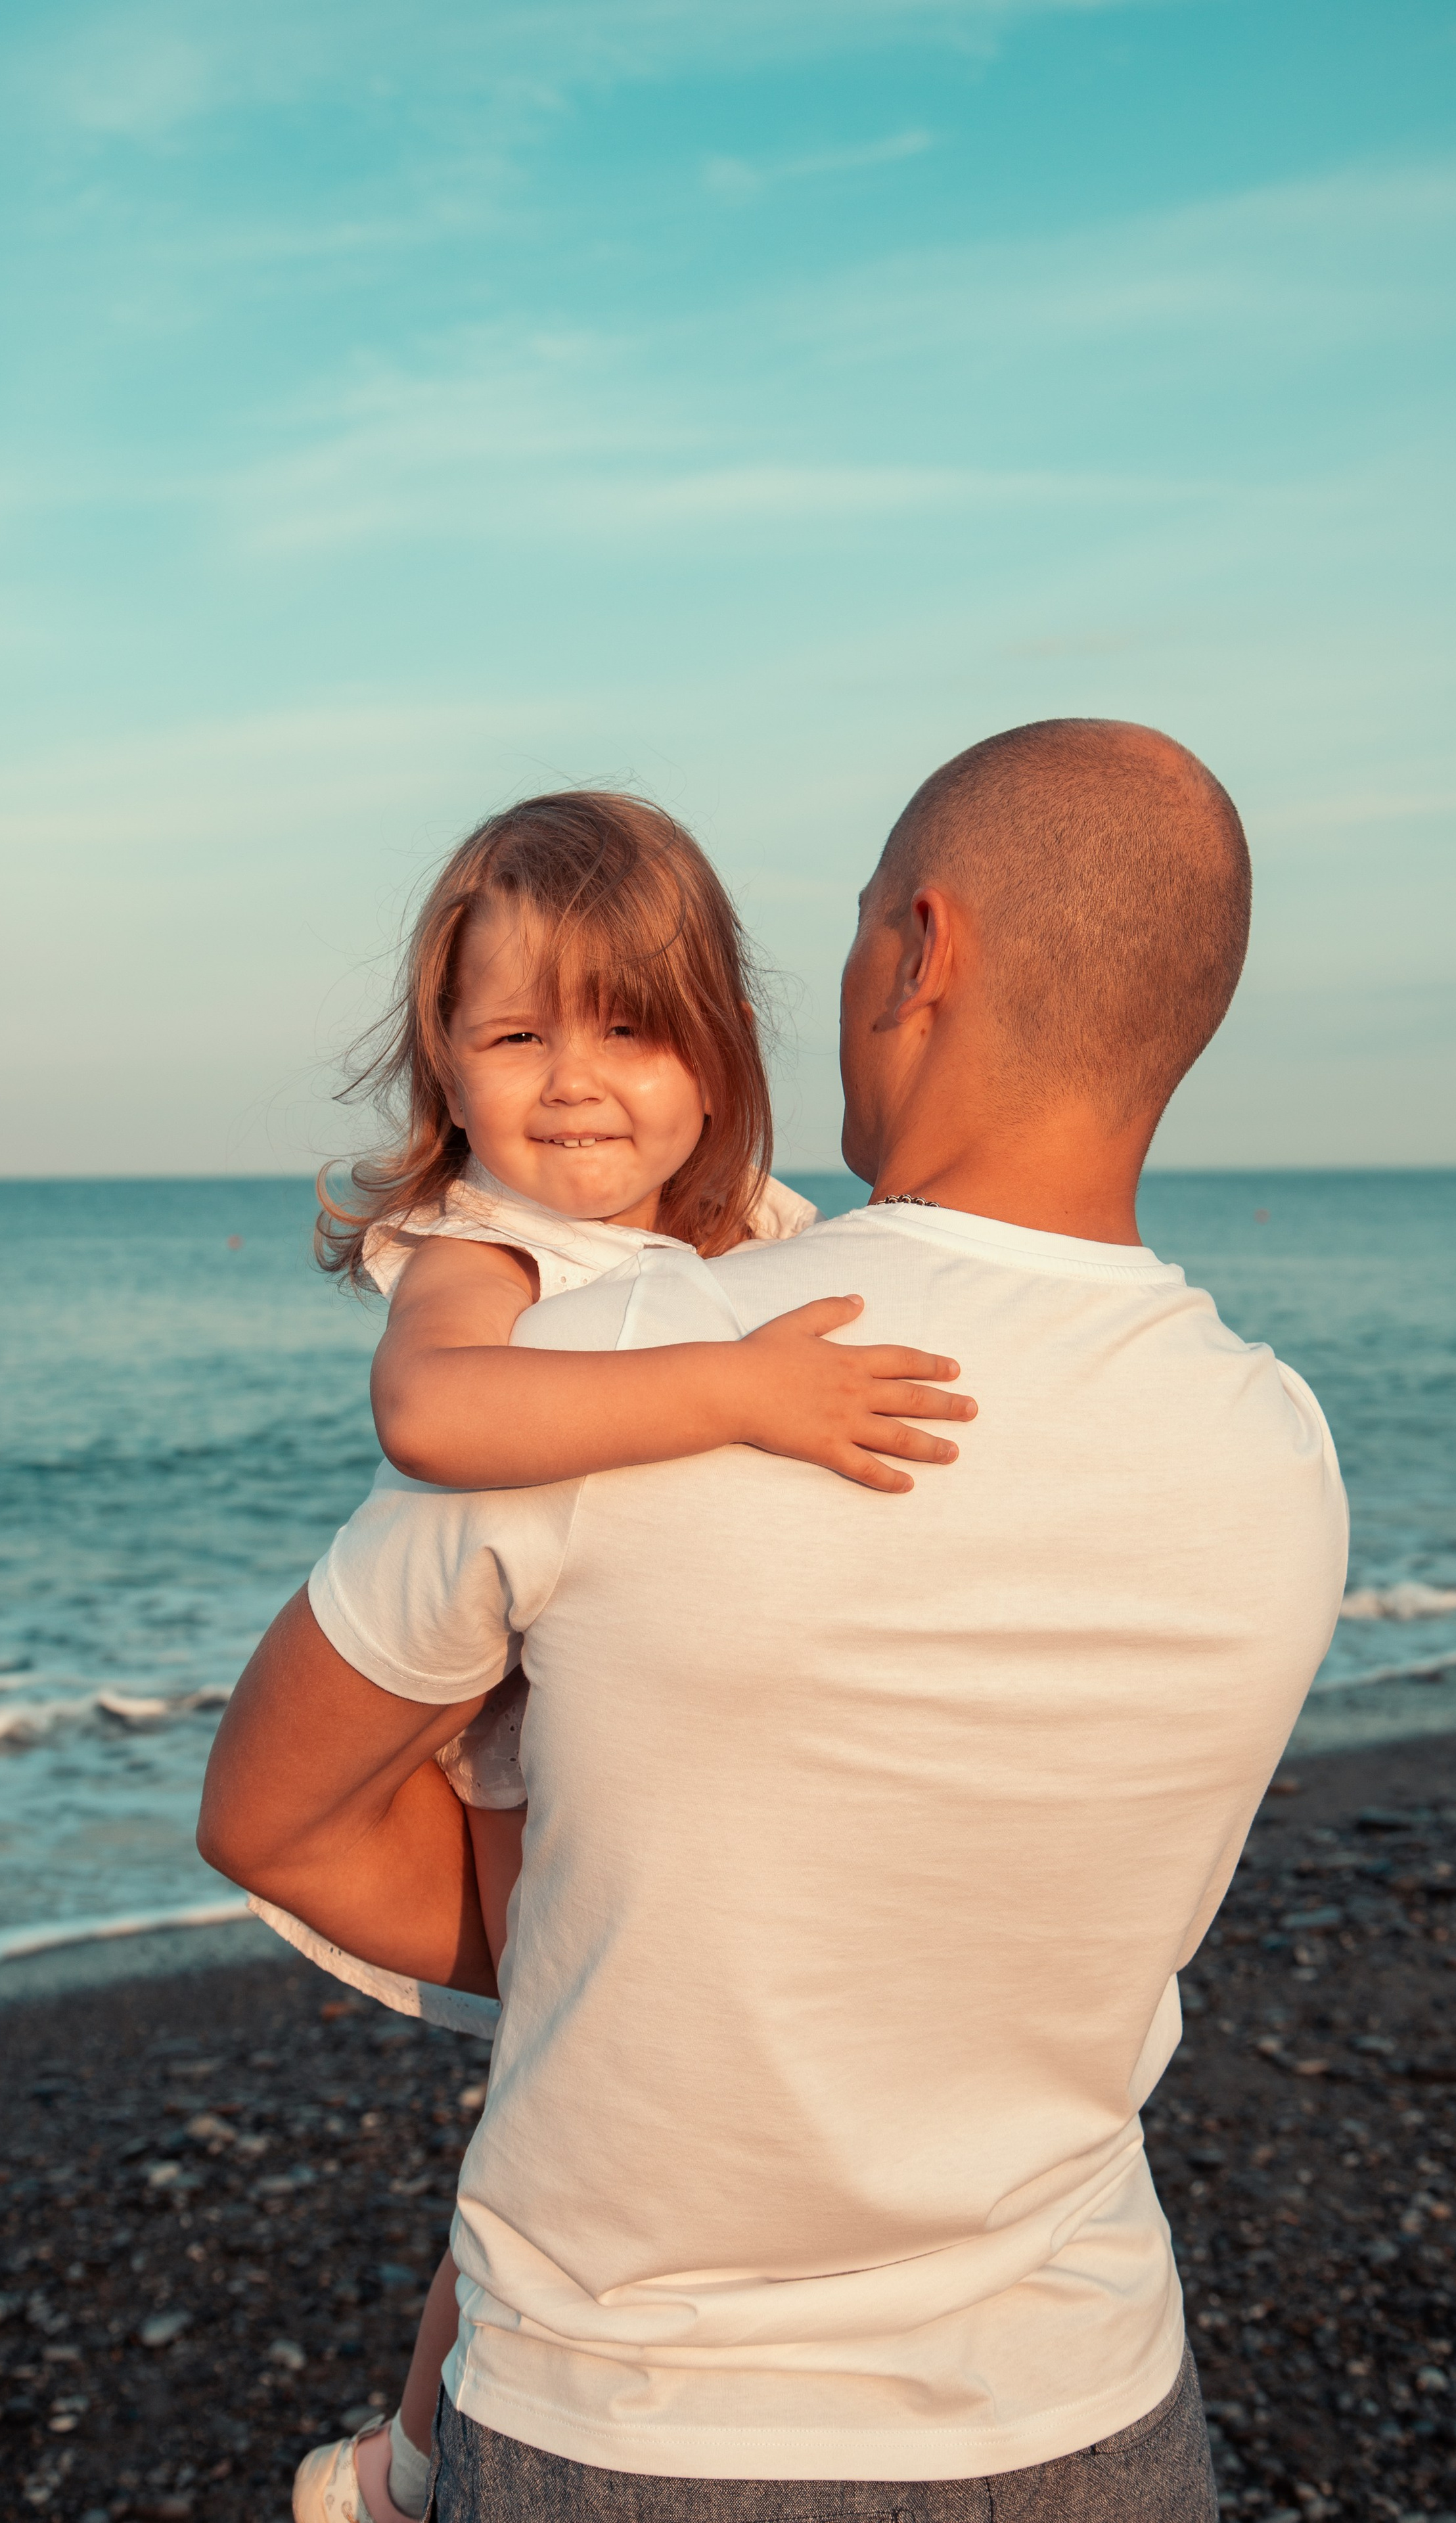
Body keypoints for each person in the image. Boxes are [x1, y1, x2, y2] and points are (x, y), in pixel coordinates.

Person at [200, 720, 1350, 2522]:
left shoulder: (616, 1363)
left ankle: (401, 2464)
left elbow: (269, 1817)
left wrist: (632, 1963)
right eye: (521, 1038)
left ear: (922, 950)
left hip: (637, 2423)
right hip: (1095, 2403)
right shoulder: (1279, 1444)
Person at [284, 789, 976, 2520]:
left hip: (714, 1728)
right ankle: (418, 2461)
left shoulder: (764, 1233)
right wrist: (742, 1391)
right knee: (561, 2115)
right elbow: (434, 1412)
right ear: (447, 1068)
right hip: (534, 1747)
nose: (576, 1082)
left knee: (655, 2094)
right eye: (517, 1036)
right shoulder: (485, 1246)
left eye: (632, 1030)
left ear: (719, 1052)